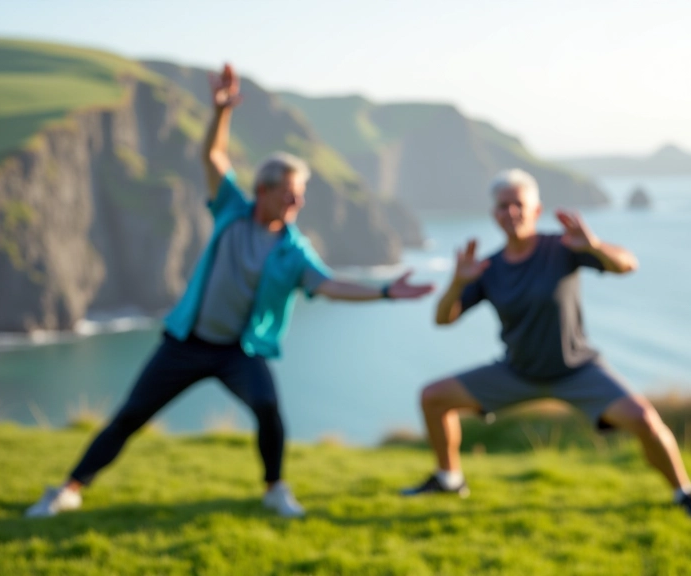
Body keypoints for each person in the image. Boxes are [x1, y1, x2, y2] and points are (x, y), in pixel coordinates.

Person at [26, 64, 433, 519]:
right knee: (130, 417)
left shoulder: (294, 249)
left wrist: (385, 292)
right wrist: (221, 113)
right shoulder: (233, 211)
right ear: (263, 191)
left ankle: (275, 489)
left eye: (300, 195)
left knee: (268, 410)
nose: (297, 203)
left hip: (239, 351)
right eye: (290, 194)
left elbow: (329, 284)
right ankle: (69, 488)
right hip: (185, 343)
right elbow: (213, 158)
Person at [400, 168, 691, 524]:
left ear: (536, 210)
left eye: (519, 204)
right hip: (517, 372)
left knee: (645, 419)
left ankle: (684, 493)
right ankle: (449, 479)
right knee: (433, 396)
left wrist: (595, 246)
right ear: (494, 214)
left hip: (576, 370)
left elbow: (628, 265)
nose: (511, 212)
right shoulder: (487, 268)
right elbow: (444, 319)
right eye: (503, 206)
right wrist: (457, 282)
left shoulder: (563, 248)